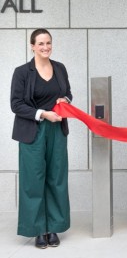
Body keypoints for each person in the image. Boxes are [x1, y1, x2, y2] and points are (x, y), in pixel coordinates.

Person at [10, 29, 72, 249]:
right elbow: (16, 104)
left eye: (48, 43)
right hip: (32, 130)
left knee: (56, 177)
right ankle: (38, 229)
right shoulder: (22, 72)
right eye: (41, 43)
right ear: (32, 46)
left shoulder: (60, 68)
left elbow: (68, 94)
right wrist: (43, 114)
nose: (45, 47)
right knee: (33, 180)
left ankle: (53, 226)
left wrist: (64, 99)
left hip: (57, 130)